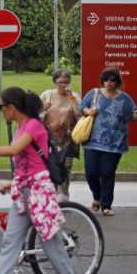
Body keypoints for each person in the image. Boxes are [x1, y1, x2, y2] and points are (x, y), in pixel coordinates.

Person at [0, 87, 81, 274]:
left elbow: (15, 151)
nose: (0, 111)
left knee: (50, 241)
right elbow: (26, 163)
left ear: (12, 108)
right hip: (24, 191)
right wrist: (13, 183)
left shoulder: (33, 126)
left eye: (1, 107)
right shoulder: (21, 127)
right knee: (10, 240)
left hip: (39, 192)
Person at [80, 67, 137, 216]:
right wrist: (88, 111)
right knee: (91, 173)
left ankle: (106, 205)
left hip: (114, 142)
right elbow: (82, 107)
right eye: (105, 80)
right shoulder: (94, 93)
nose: (108, 83)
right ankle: (97, 196)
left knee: (108, 173)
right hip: (92, 141)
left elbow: (131, 116)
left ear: (117, 82)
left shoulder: (124, 98)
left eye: (112, 80)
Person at [40, 69, 82, 202]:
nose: (64, 85)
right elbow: (36, 117)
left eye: (66, 82)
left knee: (65, 170)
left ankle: (63, 199)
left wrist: (71, 97)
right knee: (50, 169)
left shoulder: (74, 96)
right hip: (48, 140)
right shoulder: (46, 95)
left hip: (68, 141)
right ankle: (51, 198)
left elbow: (79, 114)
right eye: (61, 82)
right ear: (55, 82)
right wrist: (45, 108)